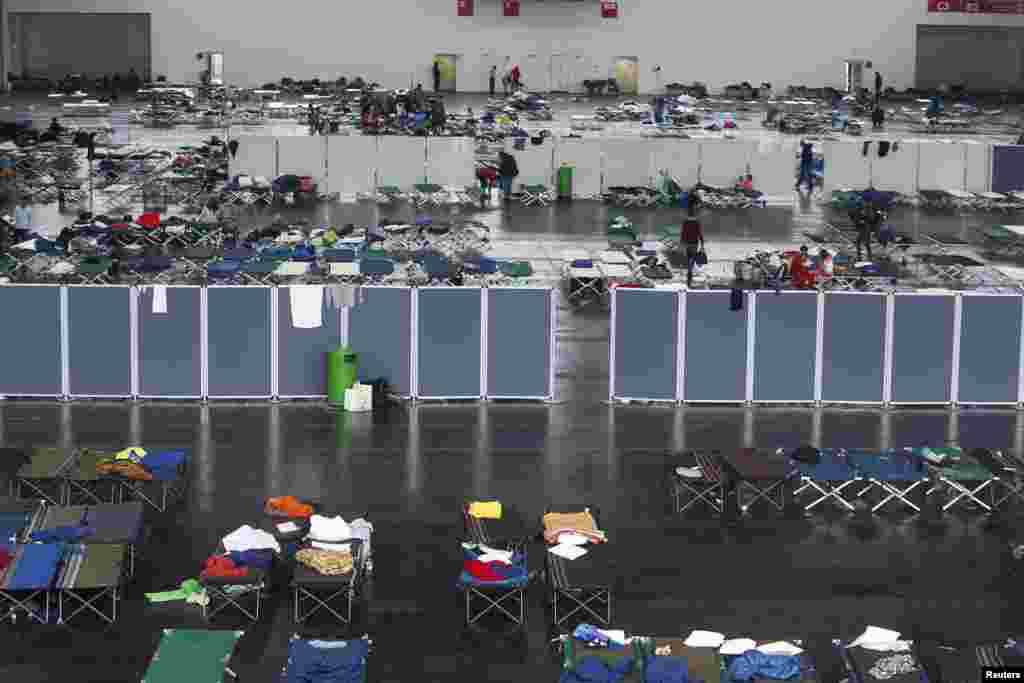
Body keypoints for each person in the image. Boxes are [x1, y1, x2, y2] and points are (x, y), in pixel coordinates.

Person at [680, 216, 705, 287]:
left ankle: (689, 273)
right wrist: (702, 243)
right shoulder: (696, 222)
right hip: (694, 243)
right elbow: (699, 232)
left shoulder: (685, 222)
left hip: (687, 243)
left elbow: (683, 232)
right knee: (692, 258)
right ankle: (690, 273)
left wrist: (682, 242)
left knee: (689, 258)